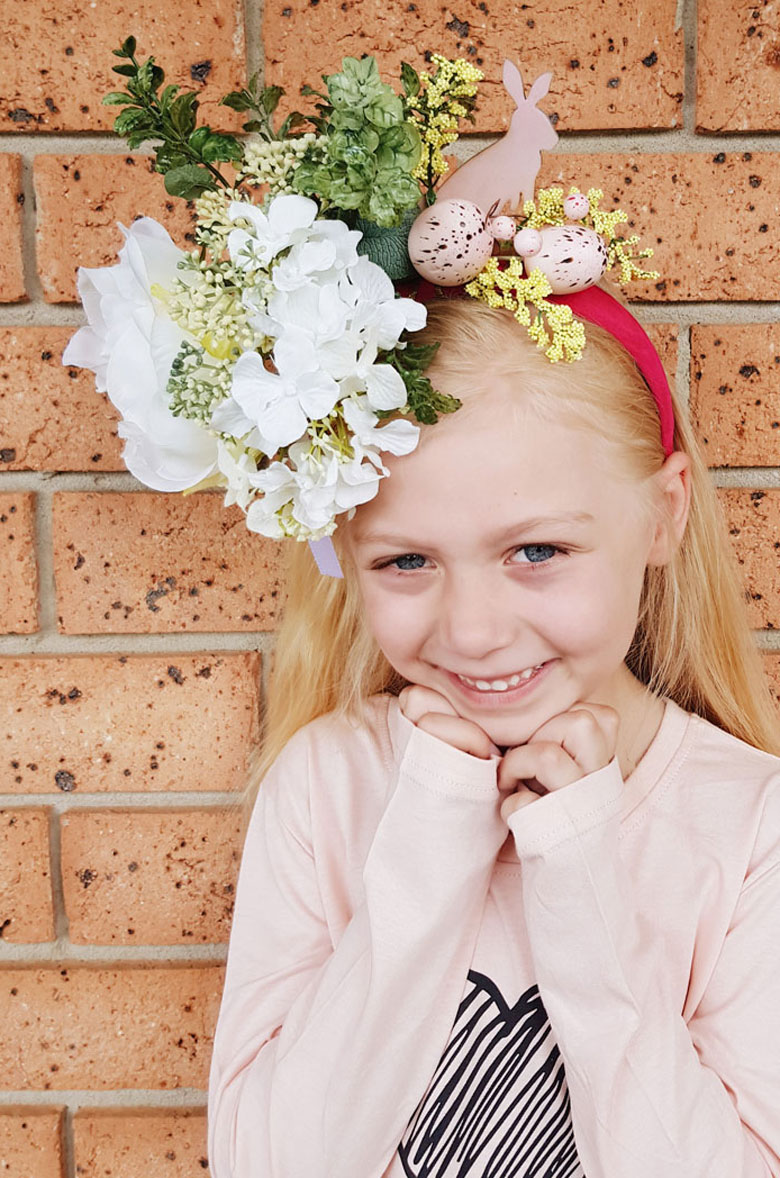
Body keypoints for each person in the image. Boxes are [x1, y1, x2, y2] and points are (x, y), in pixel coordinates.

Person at [206, 296, 780, 1178]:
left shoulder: (750, 828)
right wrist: (429, 839)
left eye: (537, 551)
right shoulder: (327, 783)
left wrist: (581, 879)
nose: (472, 633)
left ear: (663, 515)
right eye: (406, 561)